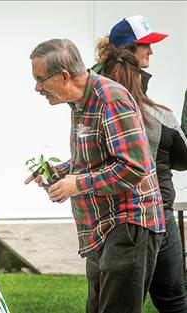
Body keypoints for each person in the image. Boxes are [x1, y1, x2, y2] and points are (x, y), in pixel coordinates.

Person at [25, 38, 165, 313]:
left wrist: (76, 184)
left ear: (64, 76)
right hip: (101, 228)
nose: (37, 88)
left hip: (129, 223)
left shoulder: (111, 100)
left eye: (41, 80)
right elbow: (91, 161)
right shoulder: (79, 103)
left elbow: (134, 167)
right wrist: (56, 173)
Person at [93, 15, 187, 312]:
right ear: (128, 50)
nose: (151, 51)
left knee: (105, 299)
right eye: (145, 45)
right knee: (173, 301)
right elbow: (183, 160)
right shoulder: (152, 115)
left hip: (107, 214)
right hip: (150, 213)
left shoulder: (93, 100)